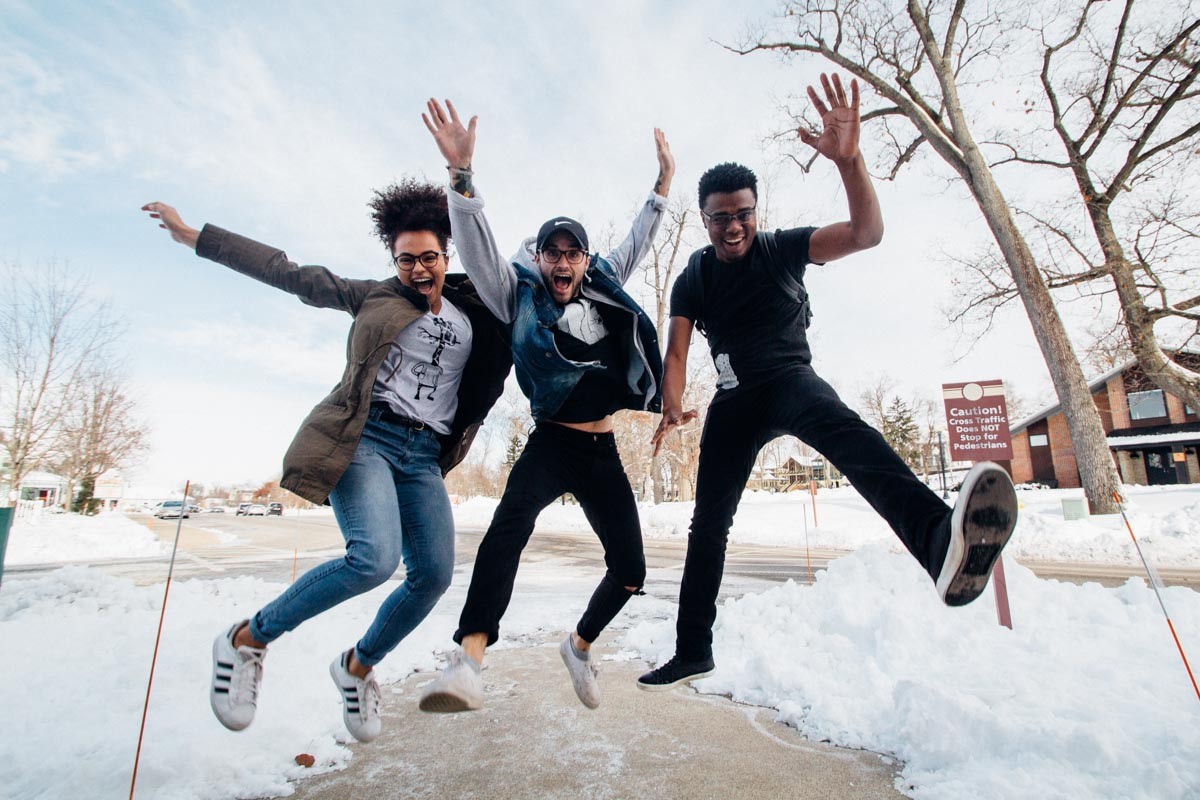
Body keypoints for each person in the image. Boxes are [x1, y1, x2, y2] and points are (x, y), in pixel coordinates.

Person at [637, 73, 1018, 691]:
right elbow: (676, 348)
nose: (732, 228)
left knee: (849, 435)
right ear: (703, 219)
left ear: (755, 212)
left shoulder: (783, 248)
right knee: (708, 524)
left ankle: (938, 539)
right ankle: (692, 648)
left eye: (742, 215)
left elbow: (866, 234)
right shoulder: (694, 276)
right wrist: (673, 405)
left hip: (789, 379)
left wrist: (850, 162)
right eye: (718, 219)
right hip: (734, 403)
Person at [141, 181, 511, 741]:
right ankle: (247, 639)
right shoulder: (374, 296)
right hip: (363, 439)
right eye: (405, 259)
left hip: (422, 456)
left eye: (428, 257)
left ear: (446, 256)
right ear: (394, 261)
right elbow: (286, 271)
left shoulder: (475, 309)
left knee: (433, 575)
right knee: (372, 559)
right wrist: (197, 237)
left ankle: (356, 667)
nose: (417, 269)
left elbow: (522, 296)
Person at [416, 99, 673, 711]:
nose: (562, 262)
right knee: (506, 532)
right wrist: (462, 181)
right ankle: (469, 660)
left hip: (601, 446)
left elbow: (639, 240)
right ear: (540, 260)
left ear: (583, 260)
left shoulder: (603, 281)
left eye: (571, 253)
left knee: (632, 570)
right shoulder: (518, 295)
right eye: (552, 253)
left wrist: (662, 185)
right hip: (552, 441)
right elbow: (478, 253)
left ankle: (579, 646)